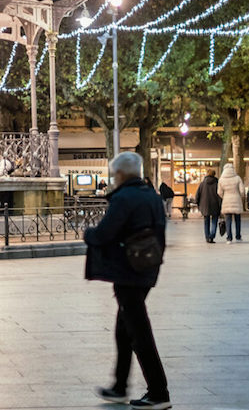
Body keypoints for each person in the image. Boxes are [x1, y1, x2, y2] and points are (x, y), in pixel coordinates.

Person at [86, 152, 170, 410]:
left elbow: (105, 233)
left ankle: (158, 392)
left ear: (121, 174)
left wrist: (89, 234)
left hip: (128, 271)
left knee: (139, 332)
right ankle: (120, 386)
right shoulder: (151, 196)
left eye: (115, 174)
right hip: (147, 267)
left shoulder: (123, 198)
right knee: (124, 330)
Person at [217, 164, 245, 243]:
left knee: (228, 221)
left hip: (226, 201)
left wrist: (224, 196)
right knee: (237, 220)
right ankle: (238, 237)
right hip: (236, 200)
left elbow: (219, 192)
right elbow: (242, 191)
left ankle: (229, 238)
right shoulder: (237, 178)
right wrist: (239, 196)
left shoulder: (221, 179)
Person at [195, 169, 222, 243]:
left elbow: (197, 195)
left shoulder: (202, 184)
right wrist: (220, 205)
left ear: (207, 174)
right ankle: (212, 236)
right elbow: (219, 196)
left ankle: (207, 237)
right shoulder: (217, 184)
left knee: (206, 221)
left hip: (205, 205)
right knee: (214, 221)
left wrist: (197, 203)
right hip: (215, 204)